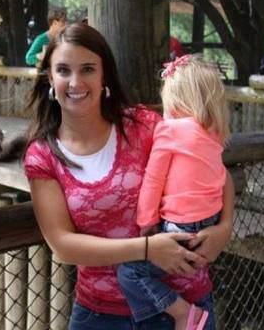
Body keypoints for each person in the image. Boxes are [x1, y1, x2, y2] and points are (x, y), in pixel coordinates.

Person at [23, 23, 234, 330]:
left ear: (104, 76)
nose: (76, 81)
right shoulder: (42, 156)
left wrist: (224, 229)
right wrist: (147, 249)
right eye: (64, 70)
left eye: (88, 69)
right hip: (100, 315)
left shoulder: (144, 125)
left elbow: (217, 172)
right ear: (50, 79)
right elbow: (63, 245)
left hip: (185, 309)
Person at [117, 55, 230, 330]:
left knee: (129, 272)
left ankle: (183, 313)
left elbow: (154, 179)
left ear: (175, 100)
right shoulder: (214, 134)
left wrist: (146, 221)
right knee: (183, 265)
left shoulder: (170, 130)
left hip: (182, 224)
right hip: (211, 221)